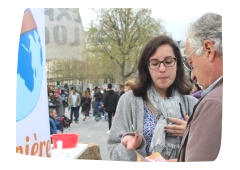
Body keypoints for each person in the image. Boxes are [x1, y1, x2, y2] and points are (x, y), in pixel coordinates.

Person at [107, 35, 198, 162]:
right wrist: (132, 147)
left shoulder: (193, 104)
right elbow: (113, 153)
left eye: (168, 61)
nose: (162, 69)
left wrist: (193, 135)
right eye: (154, 63)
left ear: (177, 65)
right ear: (147, 68)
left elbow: (211, 153)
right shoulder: (129, 101)